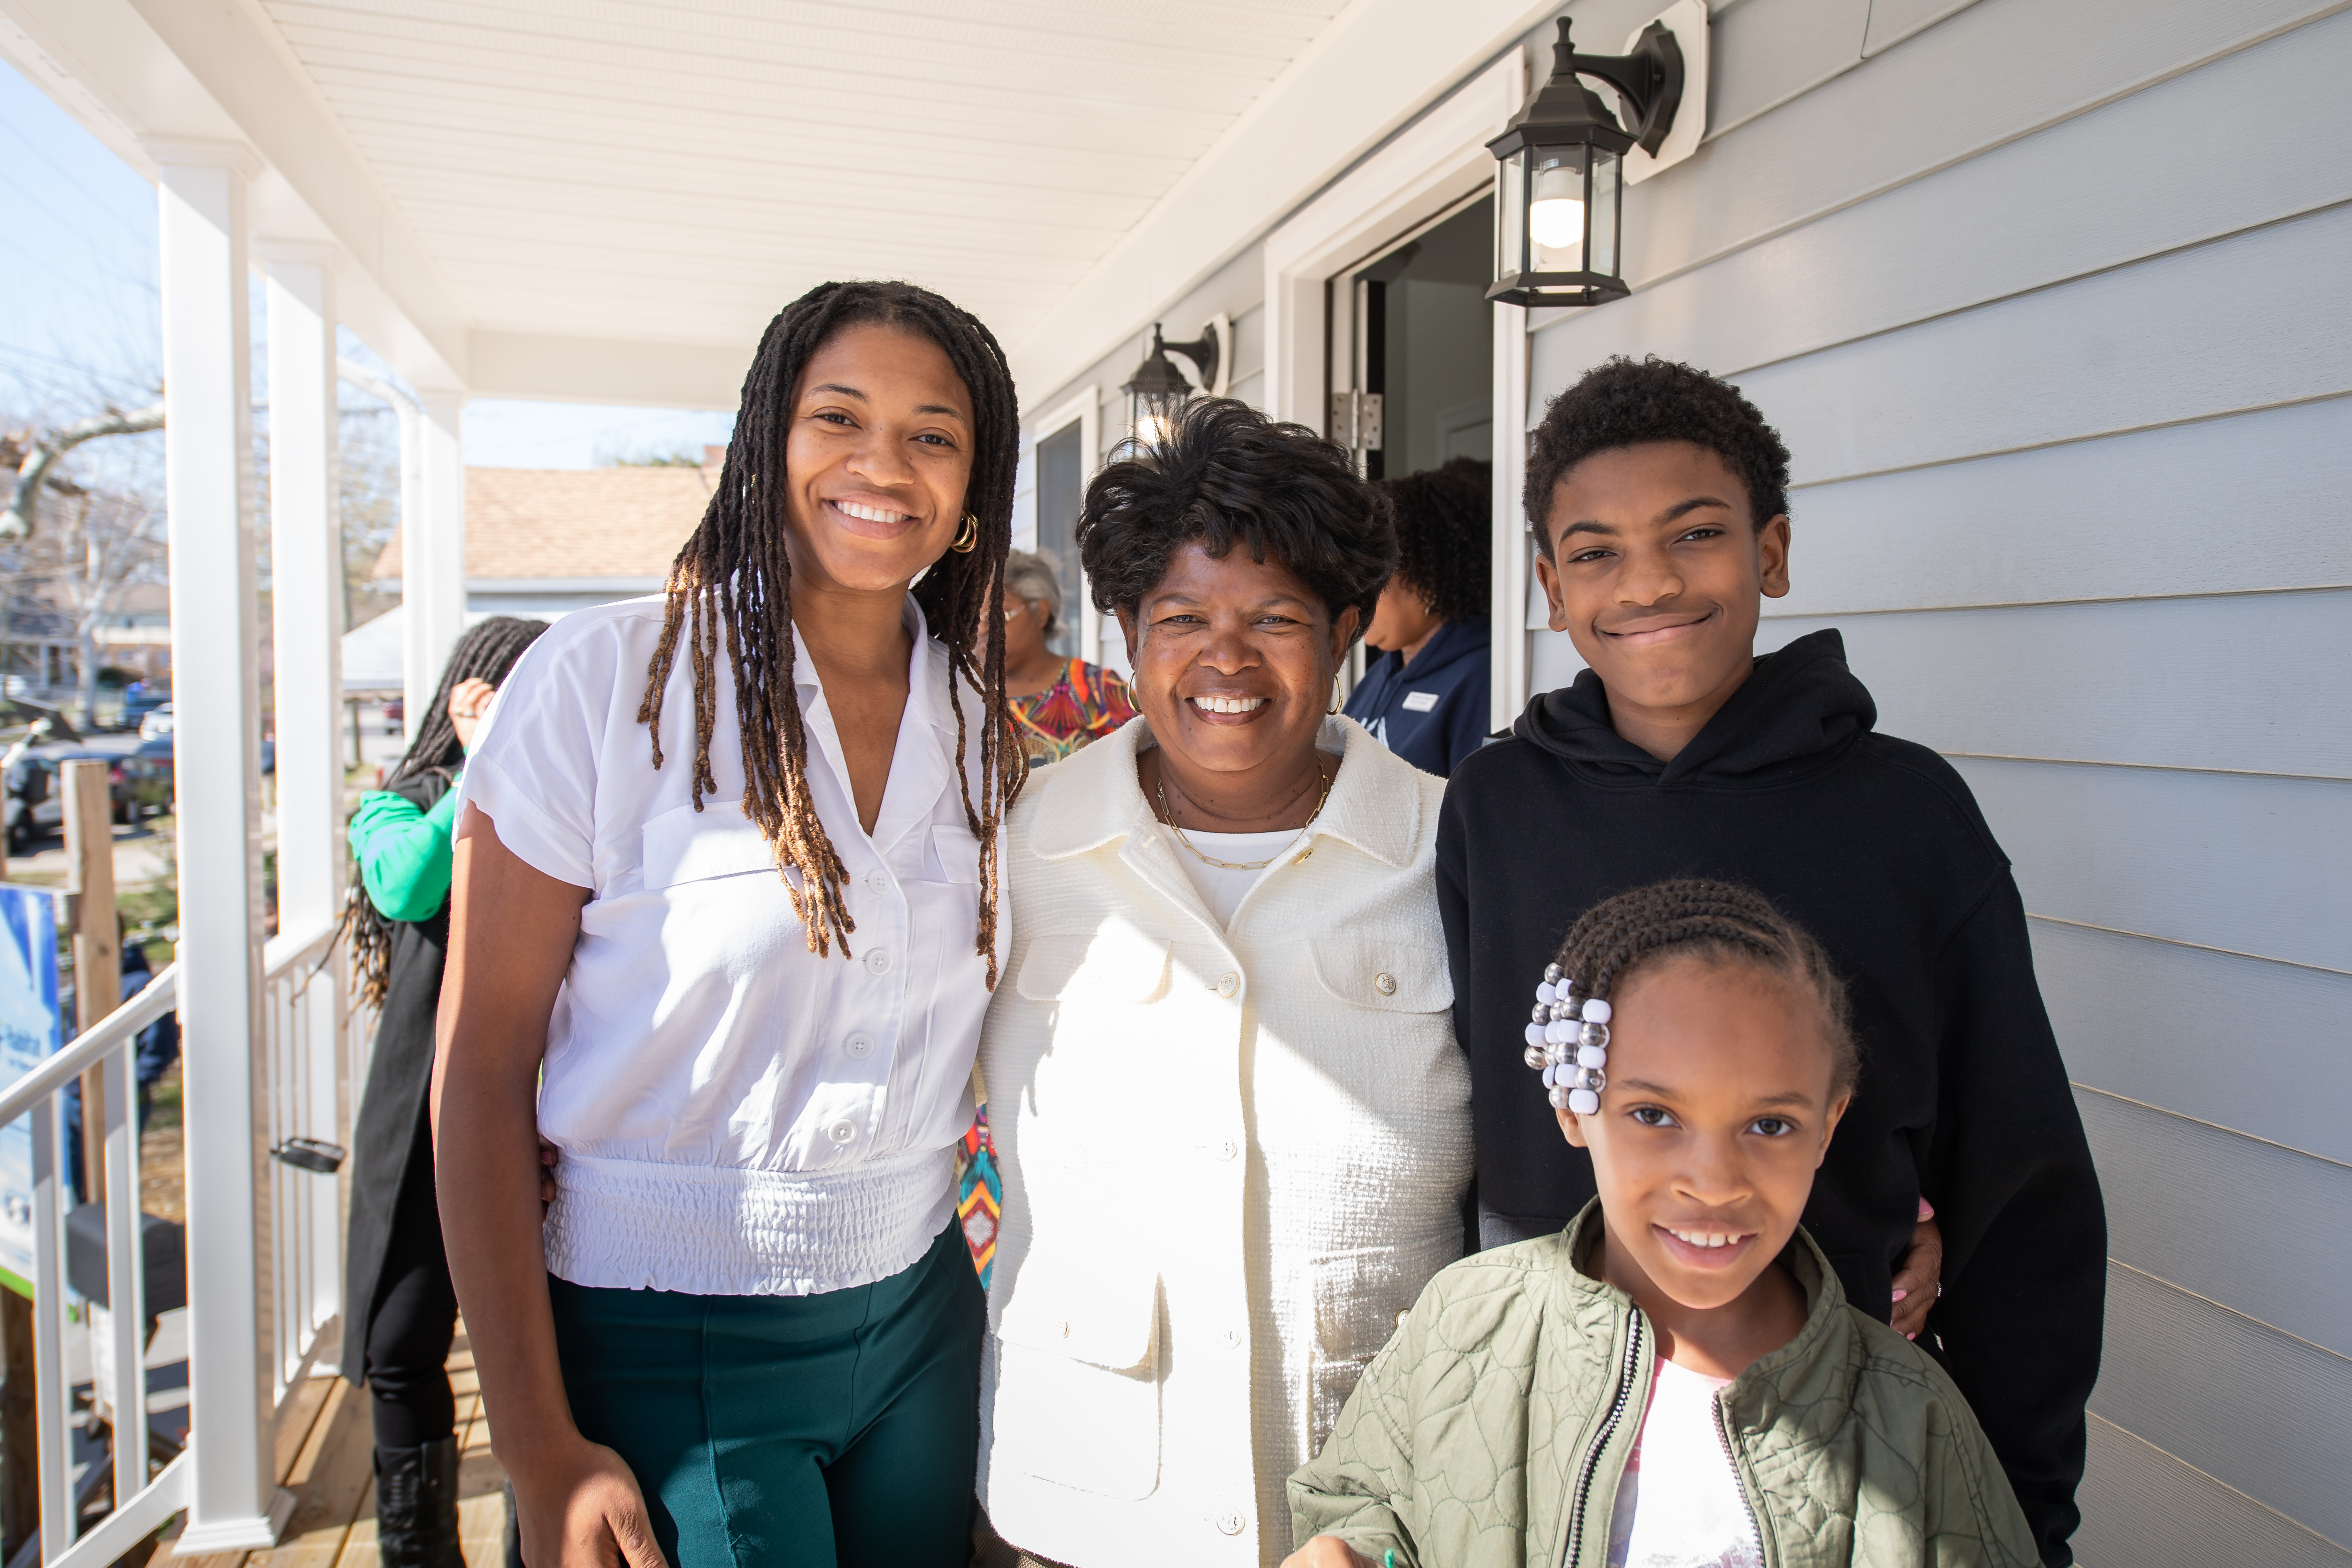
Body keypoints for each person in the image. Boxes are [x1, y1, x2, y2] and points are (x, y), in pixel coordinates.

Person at [1436, 356, 2102, 1564]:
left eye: (1693, 534)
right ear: (1544, 584)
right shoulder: (1496, 805)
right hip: (1547, 1429)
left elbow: (2020, 1188)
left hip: (1830, 1435)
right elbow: (1457, 1113)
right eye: (1593, 551)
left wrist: (2022, 1509)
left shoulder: (1905, 815)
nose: (1645, 582)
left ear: (1772, 551)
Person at [434, 280, 1024, 1568]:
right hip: (669, 1334)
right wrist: (536, 1444)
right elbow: (478, 1067)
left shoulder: (981, 729)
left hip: (925, 1318)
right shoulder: (606, 684)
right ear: (768, 439)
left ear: (974, 484)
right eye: (839, 416)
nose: (883, 462)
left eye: (934, 432)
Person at [975, 398, 1472, 1568]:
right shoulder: (1012, 847)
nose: (1226, 660)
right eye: (1182, 617)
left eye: (1276, 619)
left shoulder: (1451, 852)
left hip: (1376, 1507)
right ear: (1126, 629)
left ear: (1345, 629)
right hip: (1081, 1506)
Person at [1286, 880, 2040, 1568]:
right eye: (1654, 1115)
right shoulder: (1465, 1325)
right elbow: (1361, 1504)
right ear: (1572, 1105)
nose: (1712, 1184)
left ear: (1828, 1125)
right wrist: (1351, 1551)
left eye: (1769, 1125)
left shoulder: (1912, 1417)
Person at [341, 615, 547, 1568]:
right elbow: (410, 888)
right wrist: (482, 761)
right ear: (466, 700)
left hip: (544, 1102)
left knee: (546, 1342)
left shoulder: (569, 801)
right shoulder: (405, 798)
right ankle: (417, 1553)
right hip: (420, 1103)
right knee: (399, 1337)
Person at [1342, 457, 1491, 776]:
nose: (1353, 595)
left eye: (1372, 580)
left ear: (1428, 578)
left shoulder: (1481, 678)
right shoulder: (1382, 672)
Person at [1000, 547, 1137, 765]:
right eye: (972, 616)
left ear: (1041, 612)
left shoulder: (1097, 689)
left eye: (998, 614)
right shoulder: (956, 694)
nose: (980, 628)